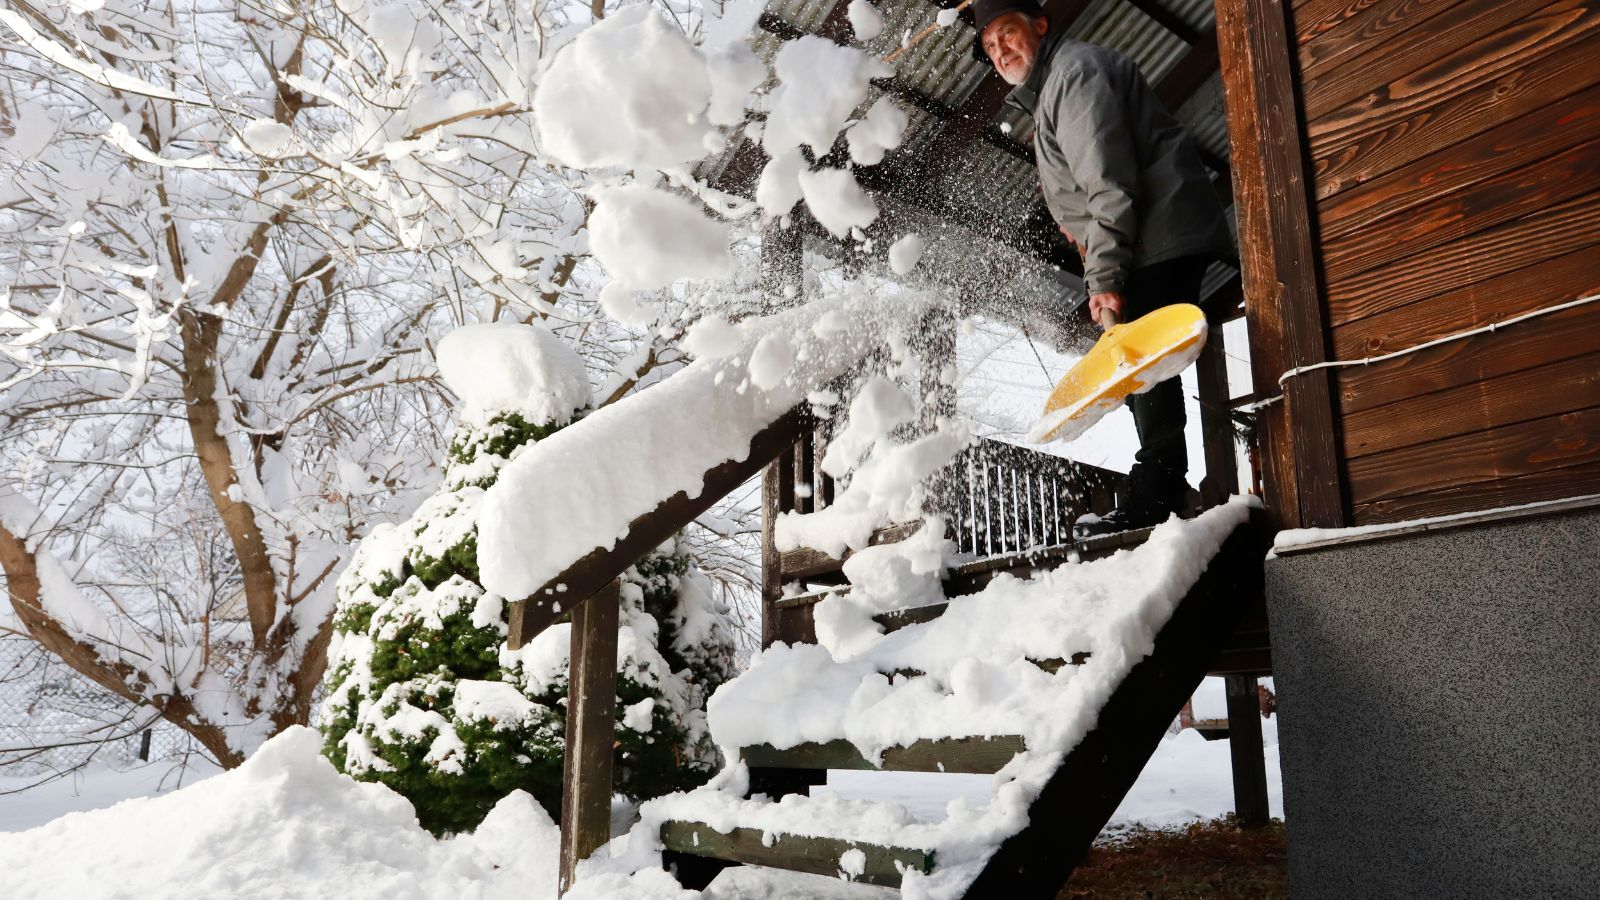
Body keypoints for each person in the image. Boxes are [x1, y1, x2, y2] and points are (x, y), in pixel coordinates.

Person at [973, 0, 1235, 538]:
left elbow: (1109, 183)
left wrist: (1107, 276)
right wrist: (1094, 255)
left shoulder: (1073, 75)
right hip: (1148, 236)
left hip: (1155, 234)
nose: (1001, 51)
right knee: (1136, 361)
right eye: (990, 45)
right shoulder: (1053, 92)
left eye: (1009, 34)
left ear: (1039, 25)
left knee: (1138, 355)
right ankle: (1158, 488)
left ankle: (1156, 494)